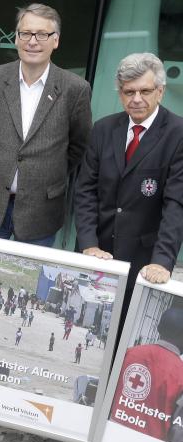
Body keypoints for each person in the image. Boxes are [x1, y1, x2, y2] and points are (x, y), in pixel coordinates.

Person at [0, 3, 92, 365]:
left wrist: (44, 175)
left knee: (27, 284)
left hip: (40, 205)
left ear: (56, 41)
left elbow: (78, 145)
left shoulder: (75, 89)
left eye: (41, 34)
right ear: (15, 38)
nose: (32, 41)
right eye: (25, 33)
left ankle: (6, 351)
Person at [75, 53, 183, 318]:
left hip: (143, 258)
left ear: (160, 91)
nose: (136, 99)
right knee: (85, 322)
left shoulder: (178, 134)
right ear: (120, 93)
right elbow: (85, 190)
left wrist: (162, 261)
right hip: (97, 252)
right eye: (129, 92)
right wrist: (88, 243)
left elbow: (176, 205)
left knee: (125, 327)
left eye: (145, 91)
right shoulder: (103, 129)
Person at [110, 307, 183, 442]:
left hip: (111, 435)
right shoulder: (181, 374)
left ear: (158, 327)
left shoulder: (128, 353)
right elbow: (178, 432)